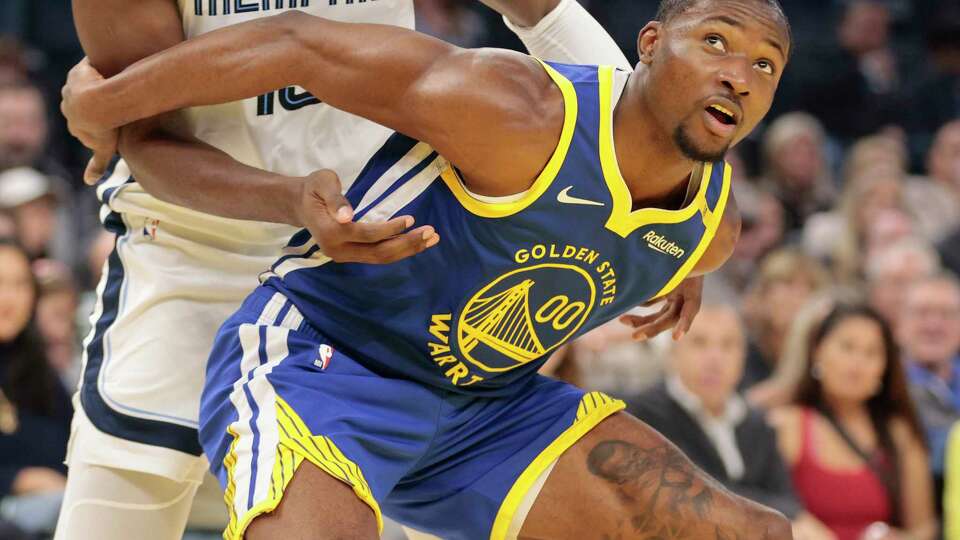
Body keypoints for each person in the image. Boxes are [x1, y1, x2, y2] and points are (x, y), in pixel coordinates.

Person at [62, 0, 796, 538]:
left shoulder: (706, 226)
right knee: (123, 500)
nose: (737, 76)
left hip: (477, 402)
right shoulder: (508, 112)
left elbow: (564, 33)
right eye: (717, 45)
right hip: (310, 331)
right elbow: (271, 59)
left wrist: (664, 211)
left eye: (762, 65)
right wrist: (102, 105)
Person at [627, 302, 819, 532]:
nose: (715, 358)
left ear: (743, 356)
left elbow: (789, 501)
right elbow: (698, 492)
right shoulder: (645, 414)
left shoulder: (756, 422)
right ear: (673, 353)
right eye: (700, 343)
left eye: (728, 345)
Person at [772, 304, 936, 540]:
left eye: (872, 352)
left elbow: (924, 528)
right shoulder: (786, 425)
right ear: (817, 351)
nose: (857, 363)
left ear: (886, 366)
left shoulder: (900, 433)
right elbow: (761, 510)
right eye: (847, 347)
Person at [0, 240, 73, 536]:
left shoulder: (41, 371)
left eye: (20, 285)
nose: (9, 297)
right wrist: (20, 479)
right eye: (1, 283)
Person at [899, 273, 960, 507]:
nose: (934, 325)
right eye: (922, 313)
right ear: (900, 323)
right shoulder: (883, 386)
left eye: (947, 314)